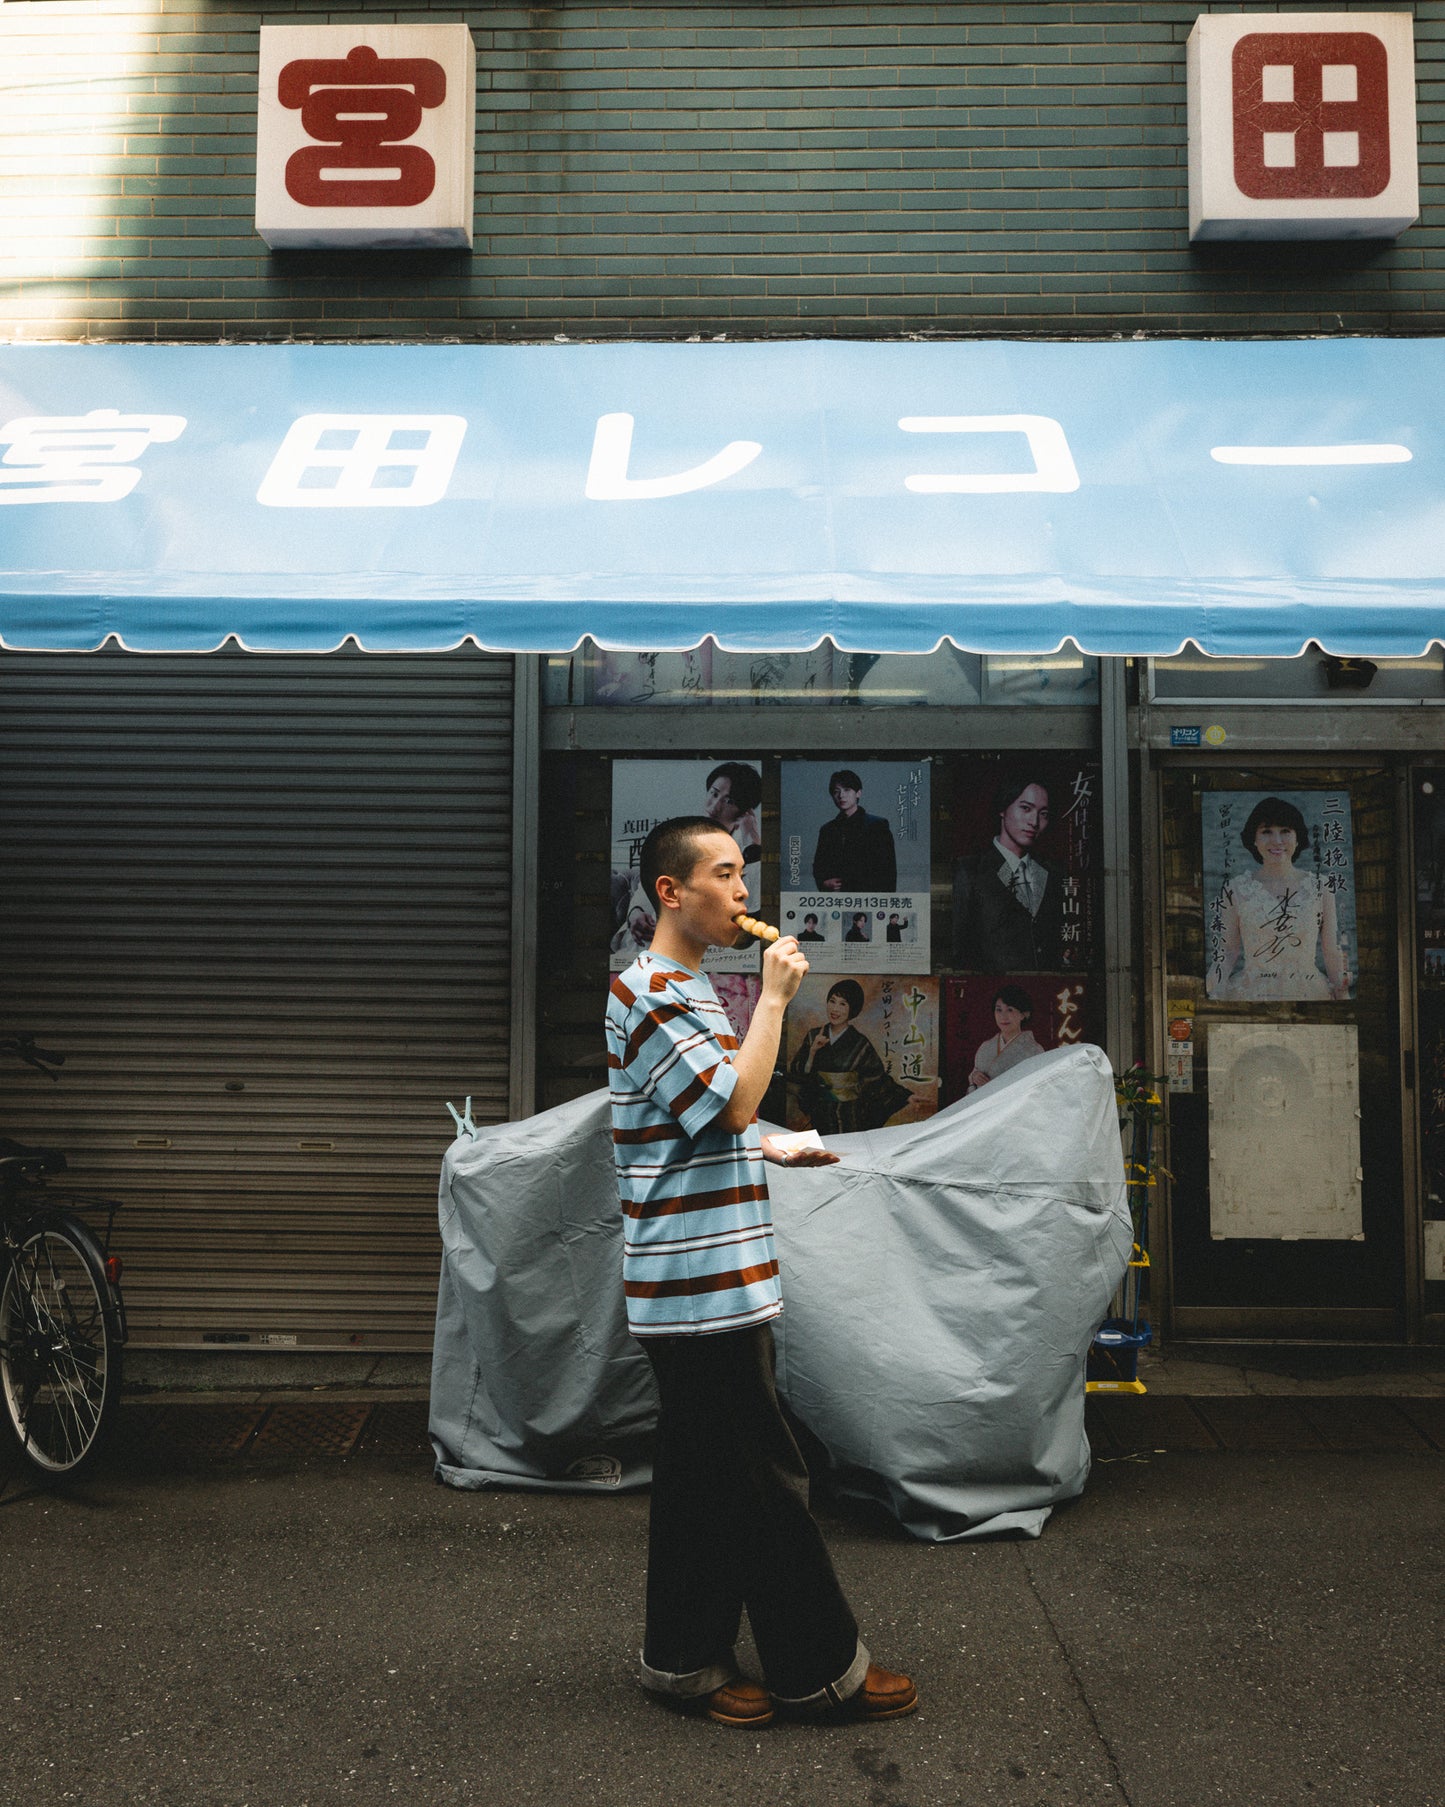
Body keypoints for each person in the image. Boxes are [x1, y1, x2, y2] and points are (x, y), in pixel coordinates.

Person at [605, 816, 917, 1729]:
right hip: (699, 1284)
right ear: (671, 891)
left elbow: (708, 1113)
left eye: (744, 876)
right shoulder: (656, 989)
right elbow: (733, 1094)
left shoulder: (687, 985)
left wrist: (773, 1143)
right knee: (764, 1480)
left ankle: (682, 1661)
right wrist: (775, 999)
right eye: (726, 873)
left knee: (704, 1478)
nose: (745, 894)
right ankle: (819, 1670)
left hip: (712, 1272)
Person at [1208, 797, 1350, 1000]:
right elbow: (1228, 951)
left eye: (1285, 831)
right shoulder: (1235, 889)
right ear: (1254, 839)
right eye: (1266, 832)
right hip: (1251, 993)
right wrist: (1211, 990)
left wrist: (1343, 996)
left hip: (1308, 992)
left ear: (1298, 837)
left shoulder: (1322, 887)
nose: (1277, 841)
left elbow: (1331, 952)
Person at [614, 763, 762, 957]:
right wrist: (636, 913)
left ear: (745, 811)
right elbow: (650, 882)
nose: (714, 806)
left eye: (729, 801)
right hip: (654, 947)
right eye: (714, 793)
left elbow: (749, 902)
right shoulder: (684, 835)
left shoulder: (748, 849)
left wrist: (754, 845)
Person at [952, 771, 1066, 970]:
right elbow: (959, 948)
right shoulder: (970, 870)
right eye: (1025, 808)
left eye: (1044, 814)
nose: (1034, 822)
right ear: (1003, 809)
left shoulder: (1052, 872)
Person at [788, 978, 912, 1134]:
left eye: (843, 1004)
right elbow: (797, 1072)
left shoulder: (860, 1043)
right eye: (832, 1001)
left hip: (851, 1113)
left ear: (852, 1009)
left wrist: (905, 1097)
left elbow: (876, 1078)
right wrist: (812, 1052)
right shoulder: (814, 1036)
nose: (835, 1009)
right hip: (821, 1112)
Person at [812, 769, 897, 892]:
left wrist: (885, 902)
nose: (841, 795)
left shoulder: (877, 826)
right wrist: (824, 883)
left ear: (858, 793)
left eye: (847, 790)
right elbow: (819, 866)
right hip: (837, 898)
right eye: (836, 791)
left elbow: (888, 870)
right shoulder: (827, 830)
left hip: (869, 896)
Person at [967, 985, 1045, 1092]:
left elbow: (1038, 1086)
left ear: (1023, 1014)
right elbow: (975, 1074)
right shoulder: (986, 1046)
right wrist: (974, 1077)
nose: (1003, 1016)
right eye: (998, 1010)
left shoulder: (1034, 1050)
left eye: (1010, 1010)